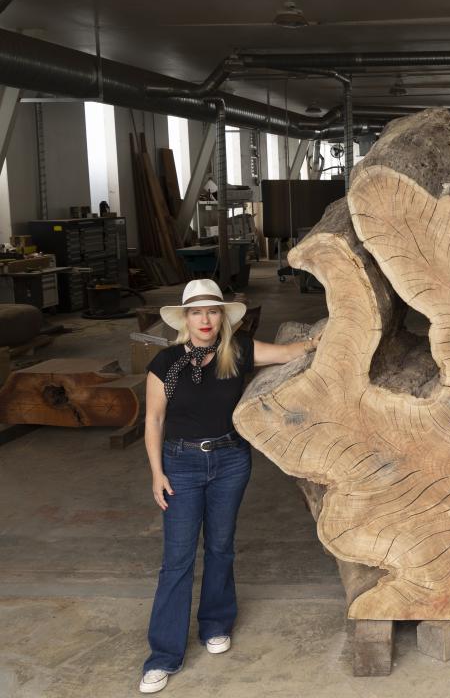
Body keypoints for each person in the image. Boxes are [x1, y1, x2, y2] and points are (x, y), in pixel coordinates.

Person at [139, 279, 319, 694]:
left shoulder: (237, 352)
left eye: (213, 311)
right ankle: (163, 655)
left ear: (223, 317)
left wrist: (319, 339)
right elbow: (153, 421)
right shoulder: (165, 363)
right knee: (177, 559)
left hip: (230, 460)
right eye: (197, 312)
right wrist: (156, 472)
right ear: (185, 319)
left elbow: (291, 352)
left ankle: (215, 624)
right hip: (180, 463)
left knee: (221, 545)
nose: (206, 319)